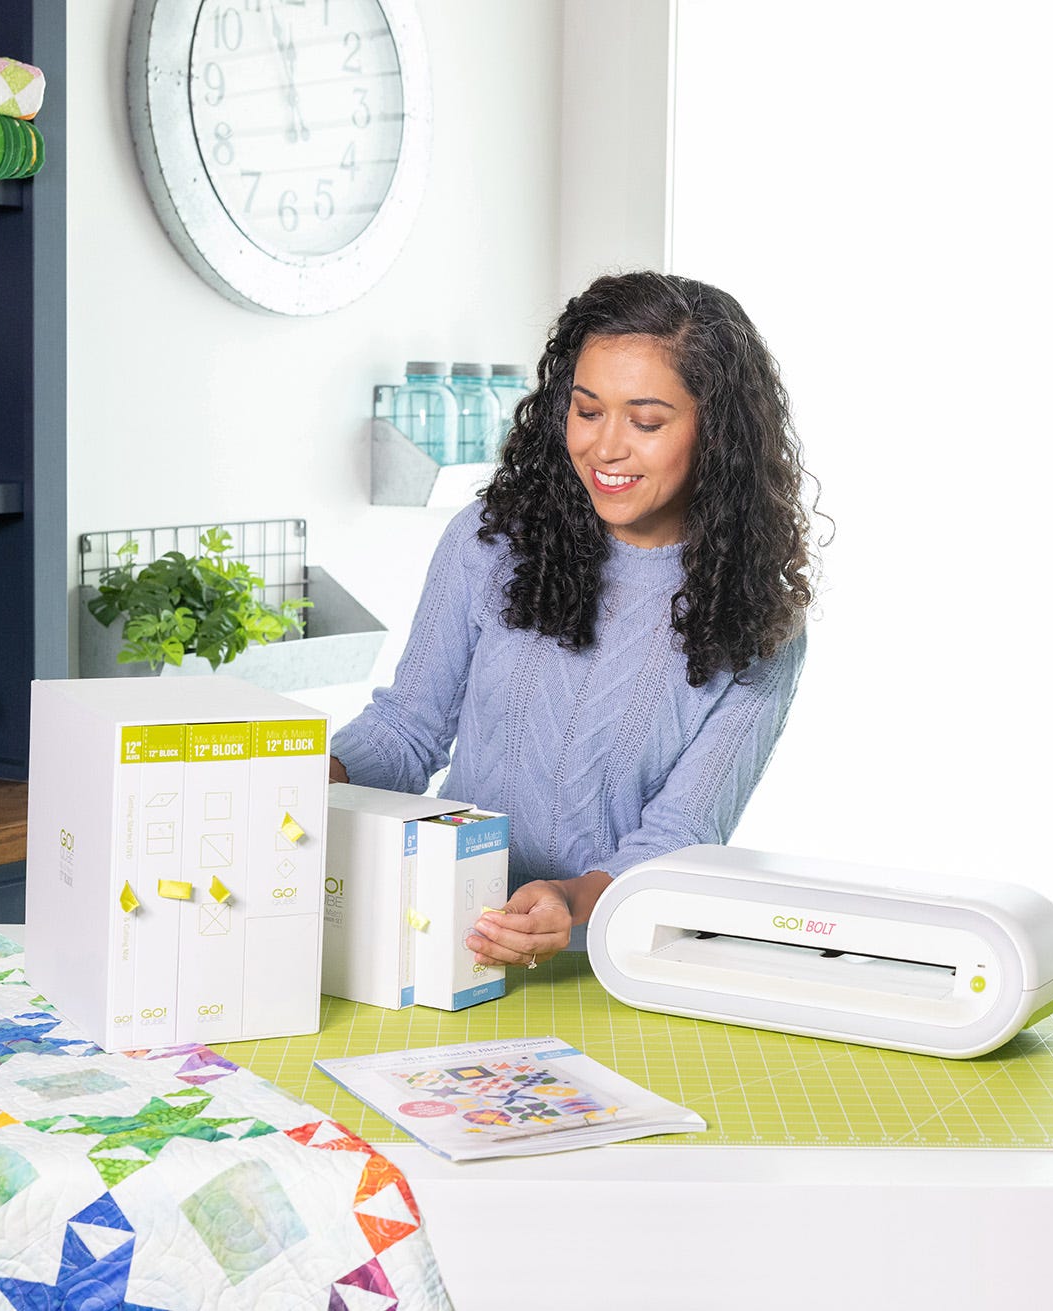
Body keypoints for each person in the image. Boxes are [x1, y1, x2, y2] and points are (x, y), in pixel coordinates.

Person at [329, 270, 817, 972]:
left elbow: (680, 833)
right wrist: (305, 778)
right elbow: (407, 731)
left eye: (646, 422)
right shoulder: (492, 541)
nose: (605, 448)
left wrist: (569, 899)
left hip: (615, 959)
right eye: (588, 412)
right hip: (450, 933)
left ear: (717, 432)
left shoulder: (760, 620)